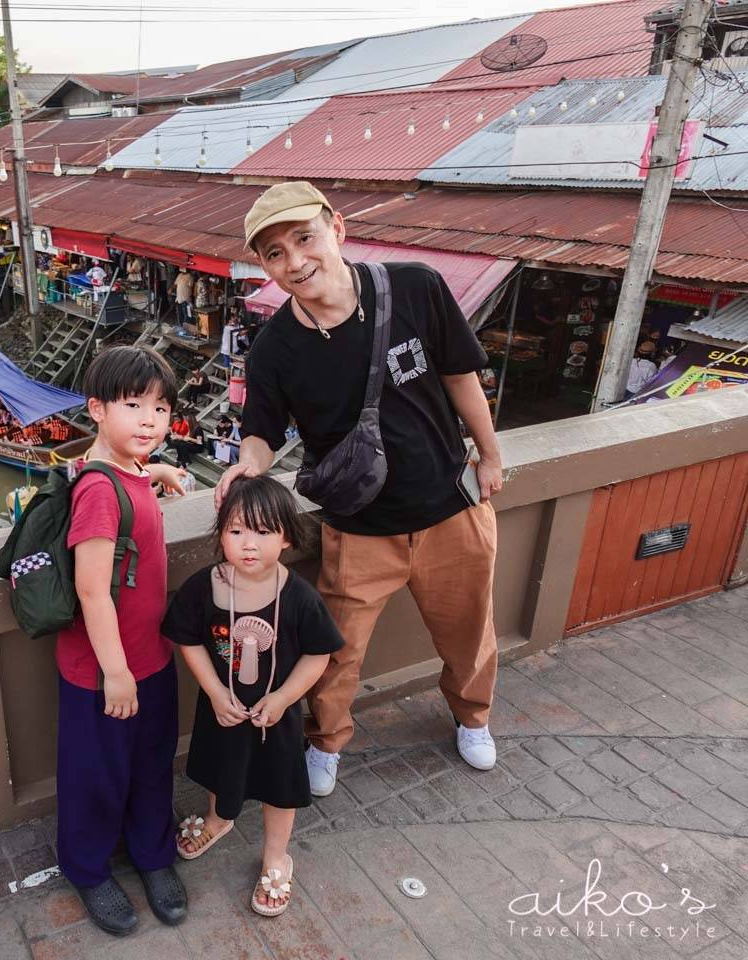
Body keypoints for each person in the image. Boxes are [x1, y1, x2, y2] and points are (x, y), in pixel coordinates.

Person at [218, 181, 504, 800]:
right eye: (273, 253)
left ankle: (473, 716)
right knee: (335, 651)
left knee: (469, 628)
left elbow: (461, 377)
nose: (294, 261)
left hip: (451, 507)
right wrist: (247, 465)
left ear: (336, 229)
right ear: (262, 265)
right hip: (356, 524)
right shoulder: (273, 348)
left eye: (303, 238)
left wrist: (490, 454)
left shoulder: (416, 287)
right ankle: (326, 741)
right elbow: (263, 432)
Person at [164, 475, 343, 917]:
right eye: (237, 530)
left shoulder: (299, 597)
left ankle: (276, 857)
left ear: (286, 537)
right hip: (222, 708)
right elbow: (188, 640)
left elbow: (318, 656)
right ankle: (219, 819)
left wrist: (283, 697)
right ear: (220, 533)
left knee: (279, 789)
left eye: (264, 532)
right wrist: (213, 689)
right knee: (220, 769)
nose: (249, 543)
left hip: (275, 716)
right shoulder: (203, 587)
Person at [57, 345, 187, 937]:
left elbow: (119, 466)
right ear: (97, 409)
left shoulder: (129, 472)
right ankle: (87, 867)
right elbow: (91, 590)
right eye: (132, 405)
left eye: (159, 410)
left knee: (151, 766)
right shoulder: (97, 492)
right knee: (99, 774)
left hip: (152, 659)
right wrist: (114, 672)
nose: (148, 422)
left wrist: (153, 471)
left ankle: (152, 854)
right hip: (104, 671)